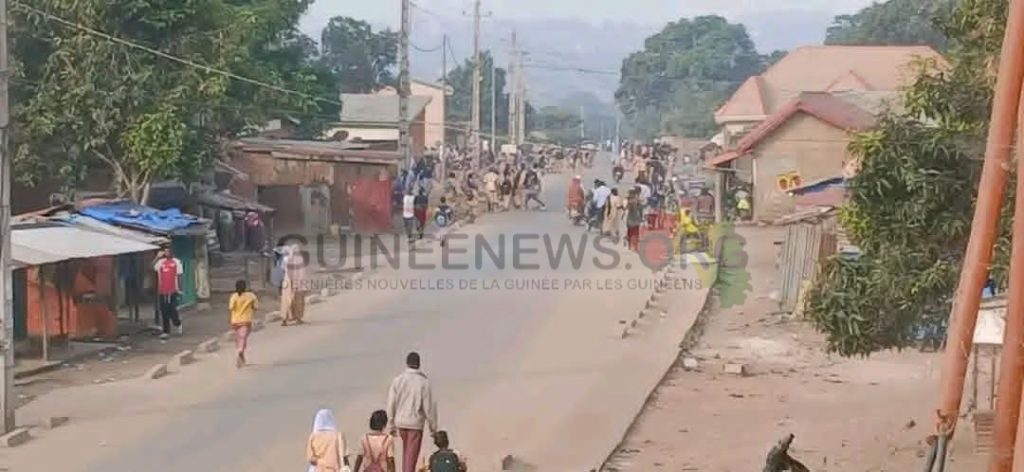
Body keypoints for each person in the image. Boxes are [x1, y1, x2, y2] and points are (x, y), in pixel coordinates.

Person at [387, 352, 438, 472]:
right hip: (415, 423)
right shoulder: (423, 382)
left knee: (406, 454)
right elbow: (428, 407)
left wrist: (391, 424)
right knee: (411, 458)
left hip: (400, 422)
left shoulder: (398, 380)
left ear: (407, 363)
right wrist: (433, 428)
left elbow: (391, 404)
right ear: (419, 364)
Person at [153, 247, 183, 339]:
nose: (167, 253)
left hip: (173, 290)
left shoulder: (177, 262)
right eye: (165, 251)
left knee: (172, 310)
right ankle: (166, 331)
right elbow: (152, 267)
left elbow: (179, 276)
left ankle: (177, 323)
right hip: (162, 291)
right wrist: (157, 257)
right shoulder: (160, 262)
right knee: (164, 311)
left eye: (168, 251)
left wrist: (180, 289)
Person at [228, 280, 258, 368]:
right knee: (243, 338)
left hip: (235, 321)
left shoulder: (234, 296)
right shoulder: (251, 296)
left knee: (239, 338)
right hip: (246, 320)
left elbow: (231, 307)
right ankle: (240, 351)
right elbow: (256, 307)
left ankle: (242, 357)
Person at [280, 243, 309, 326]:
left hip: (287, 281)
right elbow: (302, 272)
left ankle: (284, 319)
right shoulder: (300, 259)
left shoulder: (286, 259)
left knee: (286, 300)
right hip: (298, 281)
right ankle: (298, 318)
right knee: (298, 299)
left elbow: (282, 269)